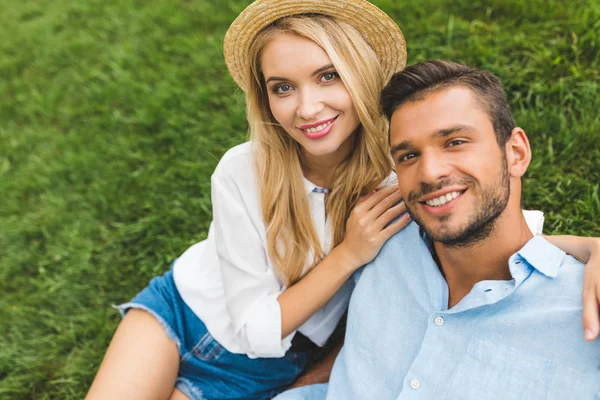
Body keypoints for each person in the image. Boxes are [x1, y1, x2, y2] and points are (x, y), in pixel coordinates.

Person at [86, 0, 600, 398]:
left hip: (279, 360)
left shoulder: (401, 175)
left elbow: (485, 227)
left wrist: (593, 247)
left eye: (328, 76)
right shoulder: (244, 169)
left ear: (358, 73)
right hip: (186, 311)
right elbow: (253, 328)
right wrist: (349, 253)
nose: (307, 108)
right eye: (282, 87)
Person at [274, 60, 600, 400]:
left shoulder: (583, 306)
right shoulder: (380, 238)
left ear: (515, 153)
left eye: (455, 142)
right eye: (409, 155)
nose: (429, 173)